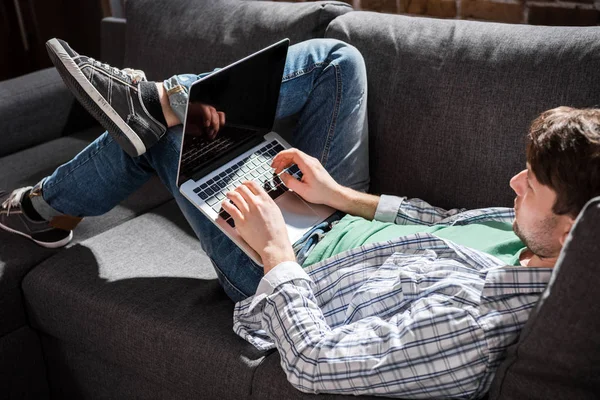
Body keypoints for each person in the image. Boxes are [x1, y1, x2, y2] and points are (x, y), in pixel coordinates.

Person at [1, 38, 599, 398]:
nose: (513, 183)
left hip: (292, 263)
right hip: (335, 213)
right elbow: (435, 219)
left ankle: (45, 211)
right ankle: (159, 100)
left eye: (533, 184)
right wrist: (336, 192)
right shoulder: (528, 230)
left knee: (167, 138)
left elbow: (317, 363)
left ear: (577, 227)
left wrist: (276, 252)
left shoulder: (480, 328)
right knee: (337, 61)